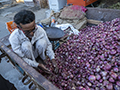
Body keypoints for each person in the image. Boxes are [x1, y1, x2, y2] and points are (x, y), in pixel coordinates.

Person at [9, 10, 57, 74]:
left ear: (34, 24)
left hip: (36, 52)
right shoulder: (14, 37)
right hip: (27, 56)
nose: (31, 33)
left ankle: (42, 58)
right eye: (27, 31)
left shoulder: (39, 29)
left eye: (33, 29)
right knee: (26, 45)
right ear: (19, 28)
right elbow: (21, 58)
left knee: (42, 42)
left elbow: (48, 45)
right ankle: (33, 63)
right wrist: (37, 65)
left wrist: (52, 58)